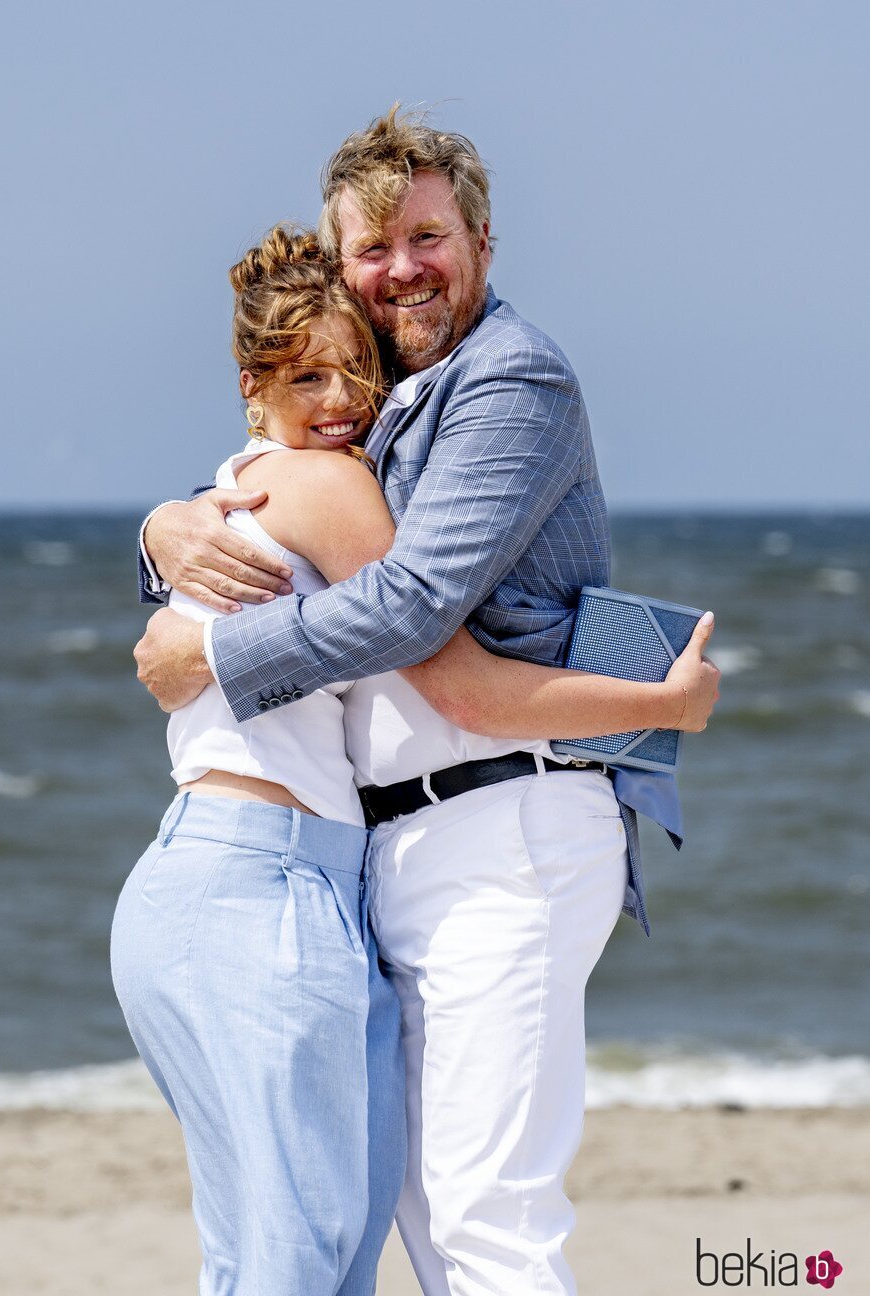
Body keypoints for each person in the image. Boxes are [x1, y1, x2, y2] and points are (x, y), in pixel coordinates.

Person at [133, 110, 720, 1296]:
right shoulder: (373, 408)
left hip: (508, 825)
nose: (402, 267)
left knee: (486, 1217)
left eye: (427, 236)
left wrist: (220, 656)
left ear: (483, 244)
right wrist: (162, 533)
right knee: (415, 1223)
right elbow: (268, 506)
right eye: (373, 249)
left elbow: (410, 607)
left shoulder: (511, 379)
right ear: (340, 267)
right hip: (387, 854)